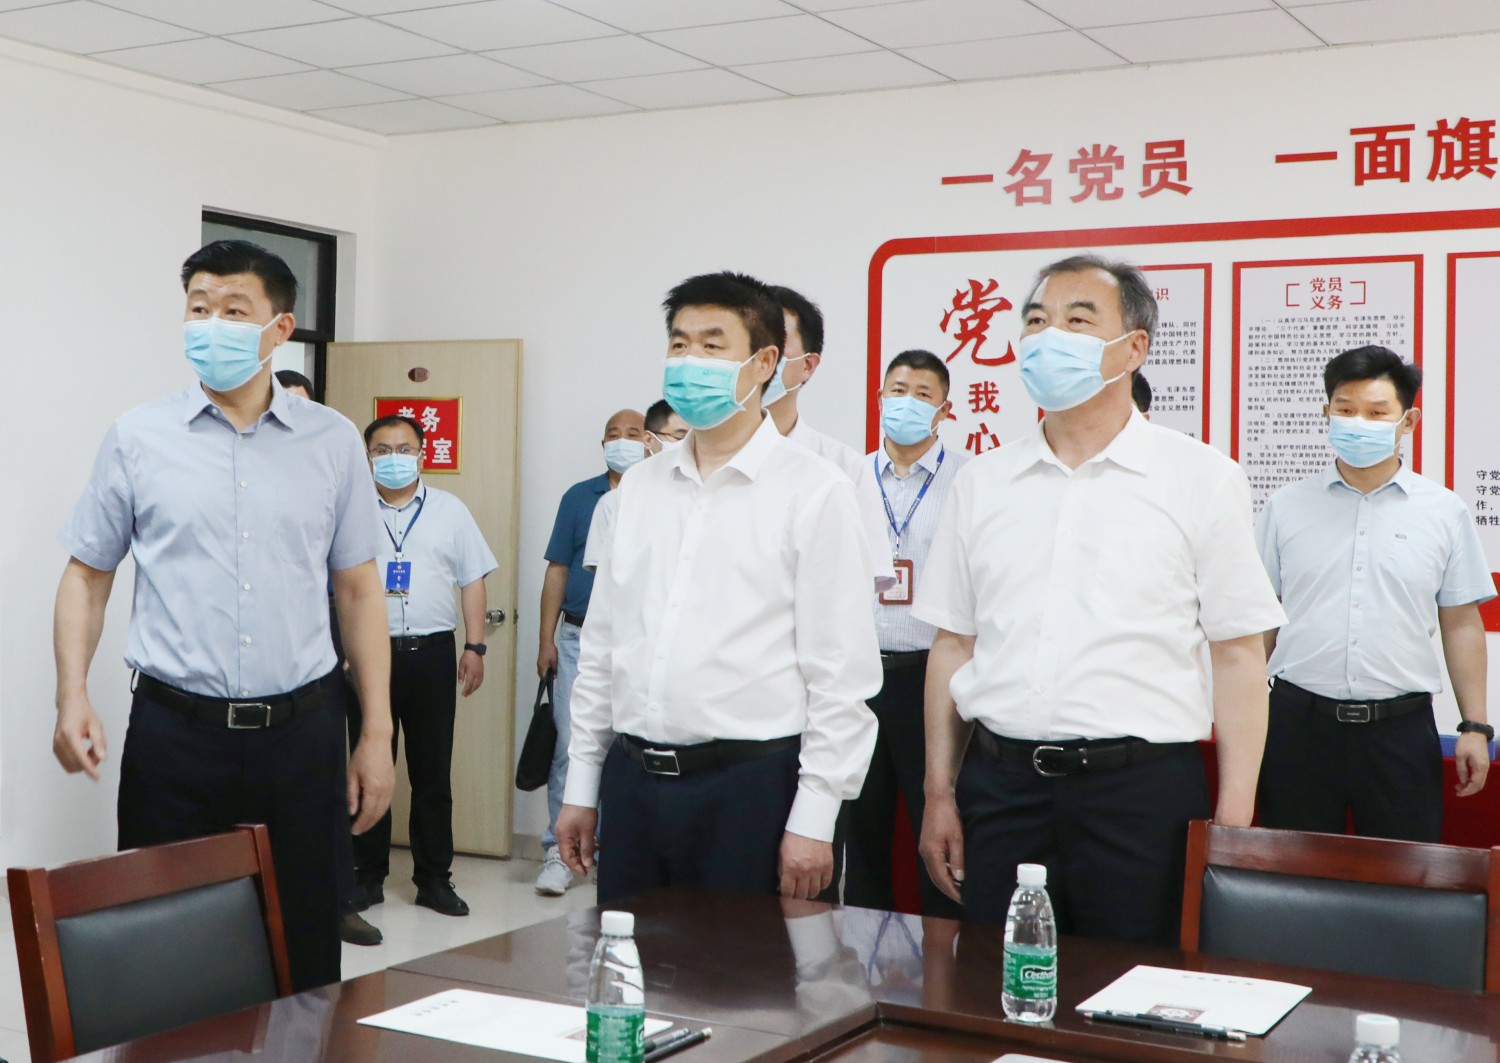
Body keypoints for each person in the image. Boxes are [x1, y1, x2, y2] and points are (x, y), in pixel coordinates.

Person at [914, 253, 1284, 946]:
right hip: (1002, 788)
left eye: (1077, 321)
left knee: (1132, 991)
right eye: (1036, 321)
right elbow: (954, 644)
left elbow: (1238, 653)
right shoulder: (983, 482)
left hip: (1139, 797)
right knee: (998, 986)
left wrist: (1234, 818)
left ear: (1134, 348)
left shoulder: (1200, 477)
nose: (1048, 336)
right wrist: (940, 792)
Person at [54, 239, 393, 990]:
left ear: (281, 328)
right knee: (164, 948)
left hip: (302, 735)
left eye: (235, 310)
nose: (212, 324)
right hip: (176, 736)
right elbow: (87, 574)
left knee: (306, 952)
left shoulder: (333, 441)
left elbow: (359, 591)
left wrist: (374, 731)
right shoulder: (139, 437)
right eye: (199, 308)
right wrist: (71, 693)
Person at [554, 271, 881, 904]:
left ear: (763, 362)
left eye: (711, 345)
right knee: (630, 959)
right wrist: (582, 786)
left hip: (750, 788)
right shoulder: (638, 491)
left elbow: (840, 674)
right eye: (679, 345)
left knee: (746, 966)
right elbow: (603, 648)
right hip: (634, 782)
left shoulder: (815, 491)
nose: (689, 362)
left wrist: (815, 818)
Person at [1255, 346, 1494, 841]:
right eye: (1345, 409)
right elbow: (1258, 622)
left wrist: (1475, 725)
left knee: (1405, 871)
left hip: (1399, 730)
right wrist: (1245, 715)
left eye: (1376, 412)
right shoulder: (1285, 507)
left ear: (1408, 421)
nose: (1357, 423)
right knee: (1293, 872)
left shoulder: (1443, 512)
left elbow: (1461, 624)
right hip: (1298, 725)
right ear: (1327, 413)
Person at [350, 414, 498, 916]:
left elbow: (472, 579)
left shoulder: (450, 510)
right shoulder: (351, 509)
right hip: (367, 657)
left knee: (432, 774)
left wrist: (475, 646)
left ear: (422, 453)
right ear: (367, 456)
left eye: (403, 449)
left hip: (432, 653)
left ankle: (434, 879)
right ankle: (366, 875)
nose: (393, 458)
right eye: (381, 450)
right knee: (368, 768)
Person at [846, 350, 965, 919]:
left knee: (936, 825)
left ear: (944, 409)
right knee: (860, 828)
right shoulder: (849, 477)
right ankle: (860, 951)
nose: (907, 403)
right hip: (860, 674)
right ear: (879, 399)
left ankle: (946, 952)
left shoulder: (967, 480)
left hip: (932, 676)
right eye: (898, 391)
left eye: (922, 394)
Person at [535, 407, 646, 895]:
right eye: (612, 434)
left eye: (632, 433)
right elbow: (558, 569)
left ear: (649, 441)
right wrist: (546, 639)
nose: (621, 441)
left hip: (639, 640)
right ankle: (557, 851)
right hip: (578, 638)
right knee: (569, 745)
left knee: (630, 749)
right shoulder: (580, 498)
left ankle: (615, 850)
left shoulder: (659, 496)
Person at [583, 400, 688, 574]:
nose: (687, 444)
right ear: (649, 439)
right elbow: (602, 576)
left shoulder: (702, 497)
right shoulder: (615, 501)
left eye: (693, 437)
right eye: (679, 437)